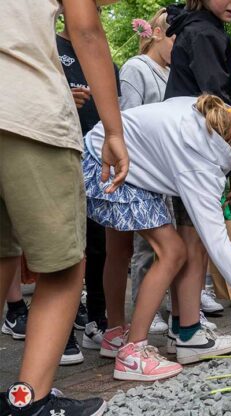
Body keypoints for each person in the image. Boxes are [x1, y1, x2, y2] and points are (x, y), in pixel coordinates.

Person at [84, 92, 231, 380]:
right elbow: (218, 244)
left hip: (106, 151)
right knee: (172, 252)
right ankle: (133, 354)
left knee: (120, 249)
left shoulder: (217, 118)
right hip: (108, 160)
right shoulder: (200, 157)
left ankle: (115, 335)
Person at [0, 0, 129, 414]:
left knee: (2, 256)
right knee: (62, 267)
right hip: (25, 110)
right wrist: (113, 130)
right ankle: (29, 401)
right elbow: (86, 29)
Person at [163, 0, 231, 344]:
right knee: (194, 242)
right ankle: (188, 332)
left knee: (189, 240)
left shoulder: (198, 28)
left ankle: (183, 323)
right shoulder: (203, 32)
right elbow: (218, 98)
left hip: (187, 147)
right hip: (196, 150)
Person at [56, 6, 122, 363]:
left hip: (98, 161)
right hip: (58, 151)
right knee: (65, 248)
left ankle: (98, 319)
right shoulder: (50, 44)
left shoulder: (106, 63)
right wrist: (65, 95)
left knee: (100, 244)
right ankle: (61, 333)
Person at [116, 8, 175, 336]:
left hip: (165, 168)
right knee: (145, 245)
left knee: (167, 243)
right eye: (174, 39)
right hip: (143, 166)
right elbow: (130, 119)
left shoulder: (171, 73)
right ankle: (144, 307)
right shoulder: (136, 68)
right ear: (156, 34)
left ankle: (164, 304)